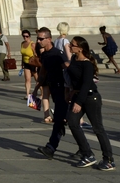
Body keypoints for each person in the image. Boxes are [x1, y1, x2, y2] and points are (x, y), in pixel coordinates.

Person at [65, 36, 116, 170]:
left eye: (72, 44)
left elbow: (87, 84)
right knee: (72, 122)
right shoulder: (74, 59)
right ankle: (87, 154)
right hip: (77, 95)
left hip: (90, 98)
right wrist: (71, 92)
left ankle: (109, 159)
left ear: (80, 48)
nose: (70, 46)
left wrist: (79, 102)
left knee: (98, 128)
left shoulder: (87, 64)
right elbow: (76, 81)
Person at [36, 26, 69, 158]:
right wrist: (35, 89)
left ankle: (51, 147)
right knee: (68, 122)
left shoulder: (57, 54)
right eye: (38, 38)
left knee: (60, 120)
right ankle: (84, 150)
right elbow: (43, 71)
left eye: (41, 39)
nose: (38, 41)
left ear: (49, 39)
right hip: (54, 89)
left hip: (62, 90)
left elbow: (67, 68)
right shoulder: (44, 55)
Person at [20, 30, 39, 108]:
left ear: (29, 36)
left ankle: (42, 92)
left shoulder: (32, 44)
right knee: (27, 79)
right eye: (24, 36)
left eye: (27, 36)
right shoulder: (22, 44)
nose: (25, 38)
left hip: (33, 63)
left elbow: (36, 54)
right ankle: (27, 94)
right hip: (26, 63)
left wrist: (37, 64)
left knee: (37, 79)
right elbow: (22, 54)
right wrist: (22, 63)